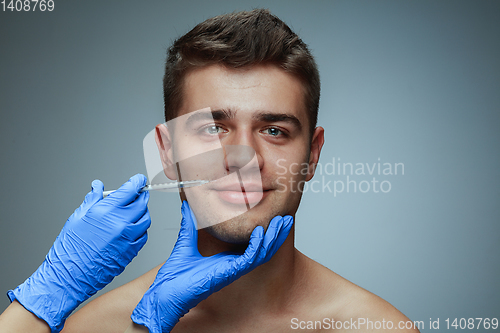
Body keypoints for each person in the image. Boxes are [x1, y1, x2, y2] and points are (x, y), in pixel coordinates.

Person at [0, 9, 419, 333]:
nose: (242, 157)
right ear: (166, 152)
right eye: (213, 127)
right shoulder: (97, 328)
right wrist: (50, 295)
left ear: (312, 155)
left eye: (273, 130)